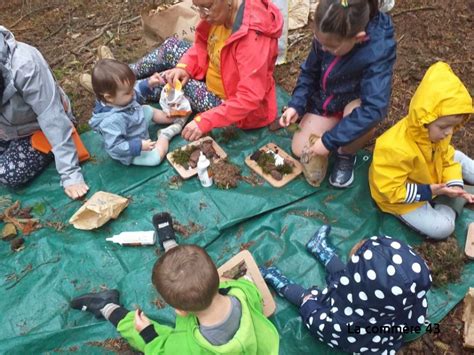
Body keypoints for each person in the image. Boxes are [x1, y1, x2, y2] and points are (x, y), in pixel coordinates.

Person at [70, 212, 279, 354]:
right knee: (185, 272)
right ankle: (171, 246)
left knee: (145, 333)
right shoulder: (242, 291)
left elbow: (161, 351)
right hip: (255, 345)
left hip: (194, 344)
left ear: (179, 310)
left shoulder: (184, 347)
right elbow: (249, 289)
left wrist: (148, 333)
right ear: (218, 278)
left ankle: (107, 307)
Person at [125, 0, 283, 142]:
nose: (201, 15)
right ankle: (124, 76)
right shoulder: (219, 14)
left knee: (172, 86)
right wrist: (184, 68)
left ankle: (123, 93)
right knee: (170, 47)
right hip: (216, 70)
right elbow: (203, 46)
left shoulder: (252, 39)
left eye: (206, 8)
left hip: (231, 103)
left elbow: (249, 98)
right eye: (197, 7)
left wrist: (205, 121)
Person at [260, 225, 432, 354]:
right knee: (342, 274)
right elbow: (414, 323)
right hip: (374, 310)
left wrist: (309, 307)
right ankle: (319, 249)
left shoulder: (347, 324)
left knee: (309, 297)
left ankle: (280, 282)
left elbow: (320, 324)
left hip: (342, 324)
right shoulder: (412, 296)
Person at [279, 0, 396, 188]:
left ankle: (346, 154)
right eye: (320, 42)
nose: (324, 49)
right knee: (299, 148)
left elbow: (374, 108)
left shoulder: (378, 48)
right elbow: (309, 71)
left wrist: (328, 142)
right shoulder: (329, 28)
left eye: (331, 47)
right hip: (329, 101)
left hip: (354, 106)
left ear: (358, 38)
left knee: (357, 116)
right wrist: (297, 104)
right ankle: (336, 135)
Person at [369, 62, 474, 240]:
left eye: (453, 127)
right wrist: (432, 191)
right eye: (444, 127)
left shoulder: (438, 133)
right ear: (425, 120)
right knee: (442, 228)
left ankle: (454, 191)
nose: (449, 132)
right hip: (401, 198)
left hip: (430, 173)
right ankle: (451, 202)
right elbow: (389, 190)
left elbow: (447, 158)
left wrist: (455, 183)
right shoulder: (394, 148)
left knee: (456, 157)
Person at [0, 26, 88, 199]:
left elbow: (52, 118)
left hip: (39, 127)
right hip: (7, 130)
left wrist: (70, 175)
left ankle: (50, 150)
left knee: (7, 173)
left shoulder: (26, 66)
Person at [89, 59, 188, 166]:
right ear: (109, 97)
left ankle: (170, 117)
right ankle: (165, 135)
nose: (133, 93)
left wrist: (148, 83)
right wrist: (138, 146)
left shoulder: (121, 97)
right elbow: (115, 147)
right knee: (155, 159)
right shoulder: (110, 122)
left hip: (134, 120)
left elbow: (136, 91)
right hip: (130, 150)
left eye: (132, 88)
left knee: (147, 109)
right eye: (128, 92)